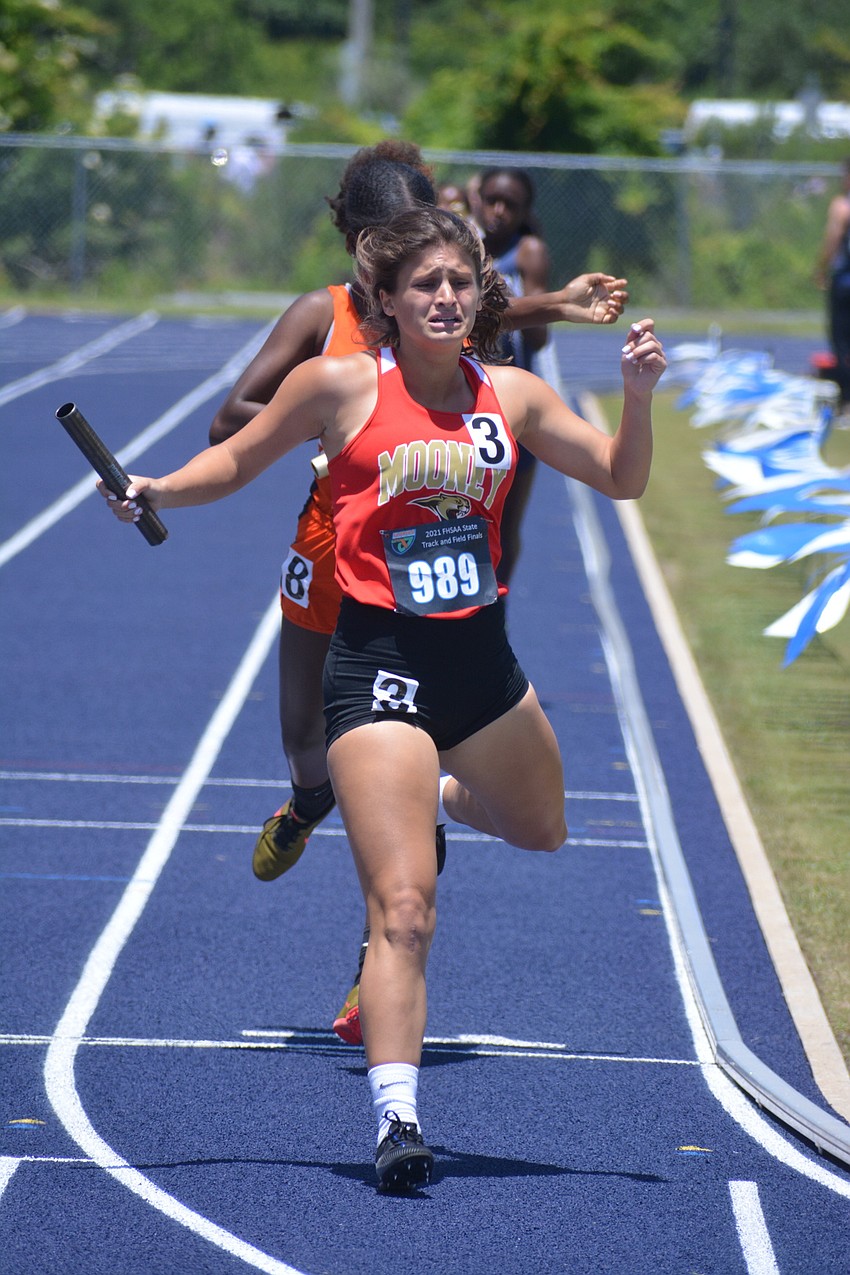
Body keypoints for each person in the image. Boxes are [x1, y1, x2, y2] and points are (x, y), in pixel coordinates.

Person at [100, 206, 667, 1191]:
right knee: (404, 906)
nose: (445, 299)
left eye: (459, 283)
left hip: (480, 671)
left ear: (478, 296)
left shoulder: (517, 396)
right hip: (378, 669)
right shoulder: (339, 386)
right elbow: (234, 458)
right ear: (390, 304)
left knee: (543, 830)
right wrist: (157, 489)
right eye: (425, 286)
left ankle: (445, 793)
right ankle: (397, 1117)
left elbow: (621, 478)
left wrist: (636, 392)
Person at [210, 146, 632, 1046]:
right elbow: (231, 425)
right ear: (371, 256)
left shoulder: (447, 324)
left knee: (407, 773)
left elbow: (486, 306)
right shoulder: (324, 323)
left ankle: (381, 955)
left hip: (423, 582)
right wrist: (314, 434)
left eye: (444, 266)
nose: (434, 289)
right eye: (406, 258)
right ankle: (307, 798)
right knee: (305, 742)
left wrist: (558, 304)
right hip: (331, 545)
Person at [476, 167, 551, 583]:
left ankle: (496, 608)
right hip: (463, 401)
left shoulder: (528, 253)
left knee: (504, 527)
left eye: (510, 204)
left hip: (514, 411)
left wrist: (493, 286)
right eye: (491, 200)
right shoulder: (459, 244)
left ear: (524, 211)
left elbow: (538, 337)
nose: (498, 211)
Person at [815, 157, 850, 415]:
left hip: (845, 281)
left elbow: (833, 239)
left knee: (842, 341)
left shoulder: (842, 205)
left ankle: (847, 401)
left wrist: (821, 269)